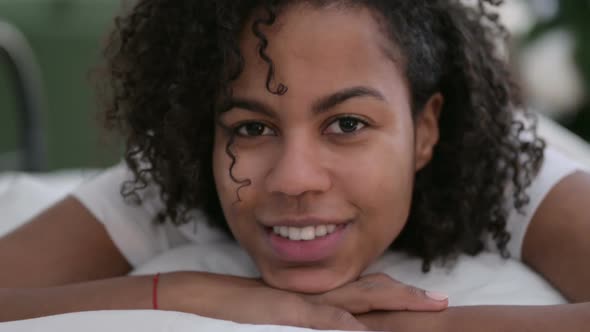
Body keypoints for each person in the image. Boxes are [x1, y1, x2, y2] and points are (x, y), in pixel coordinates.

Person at [1, 0, 589, 330]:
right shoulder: (176, 177)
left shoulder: (508, 168)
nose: (294, 178)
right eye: (251, 128)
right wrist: (197, 295)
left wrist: (425, 326)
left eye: (348, 124)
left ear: (425, 130)